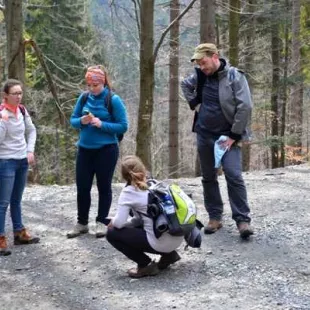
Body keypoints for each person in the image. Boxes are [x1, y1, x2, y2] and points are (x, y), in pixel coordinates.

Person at [181, 43, 254, 239]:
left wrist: (234, 135)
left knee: (233, 175)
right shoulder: (199, 76)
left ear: (214, 56)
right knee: (208, 176)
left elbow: (245, 107)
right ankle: (215, 217)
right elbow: (185, 85)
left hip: (227, 136)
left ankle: (242, 220)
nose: (202, 67)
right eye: (198, 63)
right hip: (205, 134)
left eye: (204, 62)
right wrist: (194, 103)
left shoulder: (234, 76)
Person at [67, 65, 128, 239]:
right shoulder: (84, 97)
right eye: (89, 85)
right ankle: (82, 223)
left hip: (106, 150)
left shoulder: (113, 100)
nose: (92, 89)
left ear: (103, 83)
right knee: (83, 187)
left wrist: (102, 124)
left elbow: (123, 125)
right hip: (85, 149)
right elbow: (72, 120)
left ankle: (102, 221)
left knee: (104, 186)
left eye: (96, 85)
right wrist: (82, 120)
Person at [106, 155, 183, 278]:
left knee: (111, 233)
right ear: (143, 169)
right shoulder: (155, 184)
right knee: (145, 222)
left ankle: (145, 265)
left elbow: (119, 223)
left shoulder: (128, 192)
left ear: (123, 175)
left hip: (160, 244)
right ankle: (169, 255)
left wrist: (113, 222)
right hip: (177, 237)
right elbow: (140, 220)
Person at [0, 79, 40, 256]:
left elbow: (31, 131)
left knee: (16, 200)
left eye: (20, 93)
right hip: (6, 161)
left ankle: (19, 233)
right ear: (5, 96)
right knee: (3, 203)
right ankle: (1, 237)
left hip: (22, 160)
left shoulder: (22, 111)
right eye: (14, 93)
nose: (18, 96)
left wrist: (29, 151)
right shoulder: (1, 114)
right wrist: (2, 122)